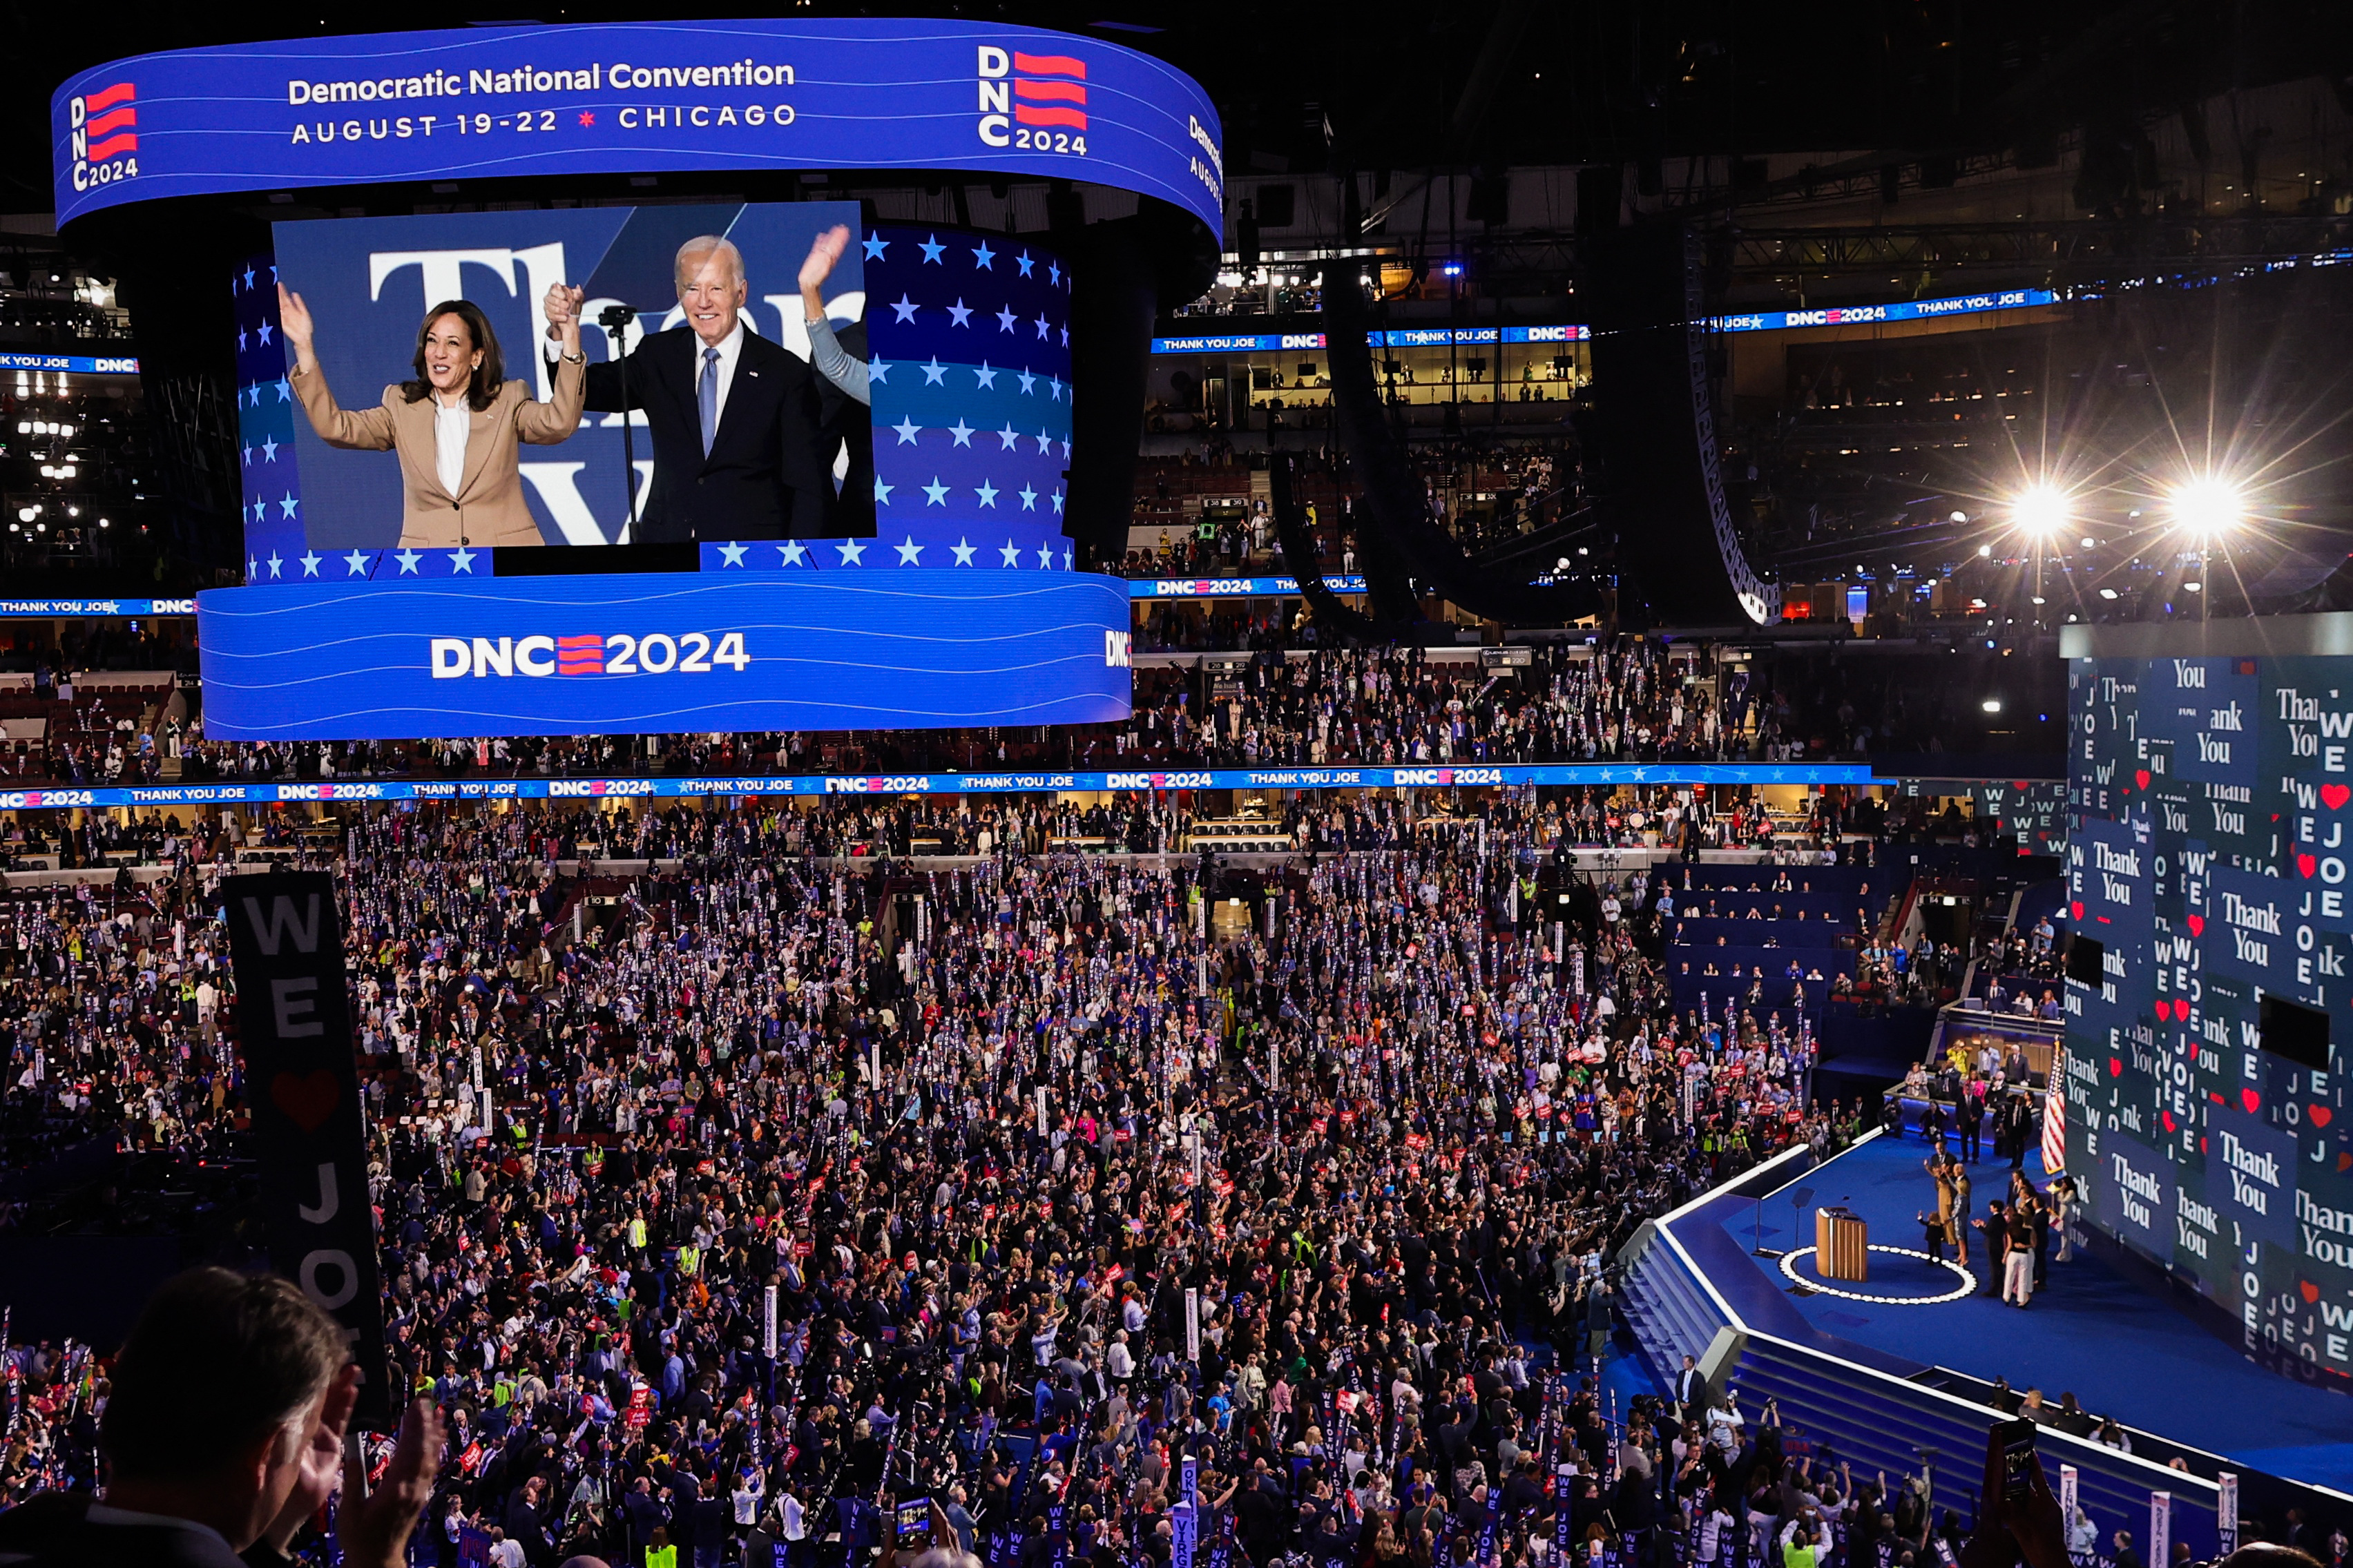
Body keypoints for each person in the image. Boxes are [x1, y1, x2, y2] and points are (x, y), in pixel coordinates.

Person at [0, 1266, 442, 1568]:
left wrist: (276, 1525)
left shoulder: (24, 1539)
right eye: (305, 1438)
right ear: (262, 1455)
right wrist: (379, 1558)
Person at [570, 235, 835, 543]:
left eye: (716, 288)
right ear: (678, 292)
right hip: (667, 547)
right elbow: (584, 390)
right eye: (692, 288)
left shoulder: (785, 373)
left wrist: (800, 566)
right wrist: (562, 336)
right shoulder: (658, 356)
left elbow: (810, 488)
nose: (703, 302)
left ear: (741, 292)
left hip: (753, 557)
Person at [280, 284, 585, 549]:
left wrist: (569, 336)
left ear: (476, 357)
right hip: (428, 568)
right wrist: (304, 347)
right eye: (432, 340)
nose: (438, 353)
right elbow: (335, 428)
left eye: (452, 343)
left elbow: (559, 423)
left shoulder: (507, 400)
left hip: (503, 563)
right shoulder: (401, 406)